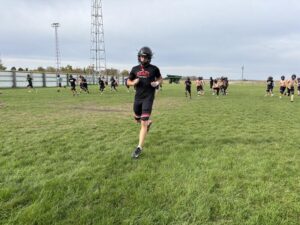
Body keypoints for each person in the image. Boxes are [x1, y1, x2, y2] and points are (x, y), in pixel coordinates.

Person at [127, 46, 163, 159]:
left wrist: (157, 83)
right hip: (138, 98)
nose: (143, 59)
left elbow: (160, 78)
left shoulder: (154, 69)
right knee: (137, 118)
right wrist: (133, 83)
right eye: (141, 57)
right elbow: (128, 81)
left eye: (145, 57)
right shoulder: (134, 69)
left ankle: (139, 148)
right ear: (139, 57)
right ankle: (148, 123)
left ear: (149, 58)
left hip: (148, 98)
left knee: (143, 123)